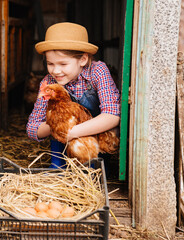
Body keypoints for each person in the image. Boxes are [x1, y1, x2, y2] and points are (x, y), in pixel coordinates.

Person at [26, 22, 120, 168]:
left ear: (83, 59)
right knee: (58, 118)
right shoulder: (49, 82)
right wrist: (58, 125)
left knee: (92, 172)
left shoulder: (97, 71)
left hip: (94, 144)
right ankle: (58, 168)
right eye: (50, 64)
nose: (56, 71)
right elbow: (32, 128)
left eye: (63, 64)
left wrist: (72, 131)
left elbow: (112, 115)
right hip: (62, 148)